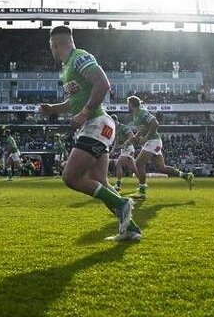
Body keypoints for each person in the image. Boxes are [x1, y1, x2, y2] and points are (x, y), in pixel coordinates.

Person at [39, 25, 140, 242]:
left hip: (96, 122)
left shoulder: (79, 57)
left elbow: (103, 83)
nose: (52, 51)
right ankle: (131, 229)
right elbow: (73, 102)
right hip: (97, 125)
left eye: (51, 47)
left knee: (71, 177)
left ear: (55, 45)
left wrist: (85, 113)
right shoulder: (67, 68)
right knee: (99, 181)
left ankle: (122, 204)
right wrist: (52, 108)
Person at [127, 95, 193, 200]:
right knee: (161, 168)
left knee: (138, 163)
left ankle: (142, 191)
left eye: (128, 104)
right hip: (153, 142)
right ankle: (186, 175)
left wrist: (146, 137)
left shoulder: (142, 112)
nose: (127, 106)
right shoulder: (136, 115)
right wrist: (136, 137)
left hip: (153, 141)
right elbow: (142, 129)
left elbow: (155, 123)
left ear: (131, 104)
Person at [111, 114, 138, 192]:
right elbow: (116, 141)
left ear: (116, 121)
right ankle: (142, 183)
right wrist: (113, 150)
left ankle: (118, 185)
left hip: (129, 149)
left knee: (118, 164)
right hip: (124, 150)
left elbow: (132, 136)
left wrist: (125, 144)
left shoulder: (124, 127)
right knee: (133, 169)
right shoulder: (115, 129)